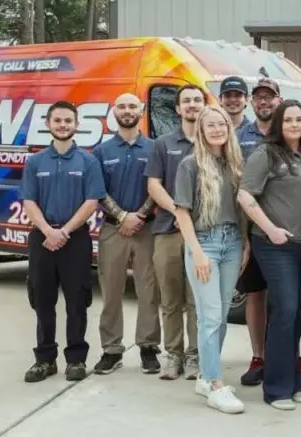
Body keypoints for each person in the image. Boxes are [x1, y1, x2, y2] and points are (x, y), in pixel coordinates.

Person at [237, 99, 301, 411]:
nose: (294, 125)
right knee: (285, 311)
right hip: (275, 247)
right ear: (278, 124)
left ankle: (294, 379)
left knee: (298, 312)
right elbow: (245, 195)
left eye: (299, 119)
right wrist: (270, 229)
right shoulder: (266, 153)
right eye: (288, 120)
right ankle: (276, 389)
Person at [20, 101, 105, 383]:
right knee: (42, 300)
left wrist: (64, 232)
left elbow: (91, 201)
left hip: (75, 238)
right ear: (48, 124)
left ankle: (76, 360)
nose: (63, 125)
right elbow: (29, 200)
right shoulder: (35, 162)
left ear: (76, 124)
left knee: (77, 300)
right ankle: (45, 360)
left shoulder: (88, 161)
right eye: (58, 121)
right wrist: (48, 231)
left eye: (68, 121)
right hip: (42, 238)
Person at [173, 105, 248, 414]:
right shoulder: (190, 165)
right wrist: (198, 253)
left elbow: (242, 210)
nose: (217, 129)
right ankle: (216, 386)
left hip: (232, 243)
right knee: (210, 315)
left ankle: (206, 376)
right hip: (204, 243)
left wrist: (245, 244)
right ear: (201, 131)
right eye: (210, 125)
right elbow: (182, 212)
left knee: (222, 314)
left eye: (222, 124)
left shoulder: (235, 165)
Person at [92, 93, 161, 375]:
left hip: (146, 229)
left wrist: (140, 216)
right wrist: (121, 216)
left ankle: (148, 347)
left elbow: (158, 186)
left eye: (133, 106)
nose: (127, 110)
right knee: (111, 292)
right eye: (121, 106)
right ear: (114, 111)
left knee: (148, 291)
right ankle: (111, 349)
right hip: (112, 228)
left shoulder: (155, 148)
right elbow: (97, 190)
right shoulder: (101, 151)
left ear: (141, 110)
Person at [145, 84, 206, 381]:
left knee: (197, 299)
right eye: (187, 101)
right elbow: (153, 185)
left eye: (197, 100)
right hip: (167, 232)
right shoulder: (163, 143)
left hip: (204, 234)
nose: (192, 105)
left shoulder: (213, 142)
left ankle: (195, 356)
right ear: (178, 109)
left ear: (204, 106)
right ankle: (173, 355)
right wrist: (179, 211)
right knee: (169, 298)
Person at [234, 77, 282, 387]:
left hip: (283, 225)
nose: (264, 102)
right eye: (259, 98)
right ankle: (258, 355)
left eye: (270, 97)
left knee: (286, 296)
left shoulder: (288, 131)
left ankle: (284, 354)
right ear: (252, 102)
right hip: (249, 227)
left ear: (279, 99)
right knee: (255, 294)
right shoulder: (238, 136)